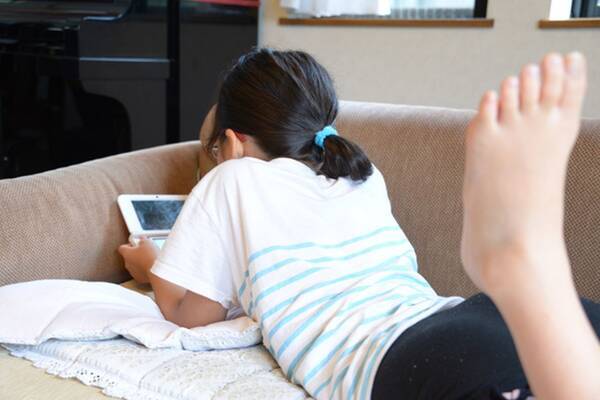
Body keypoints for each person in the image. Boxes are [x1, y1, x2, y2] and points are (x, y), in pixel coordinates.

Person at [119, 49, 600, 400]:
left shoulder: (234, 177)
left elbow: (190, 315)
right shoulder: (358, 172)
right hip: (470, 315)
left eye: (212, 151)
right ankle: (528, 268)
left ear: (233, 143)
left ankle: (523, 263)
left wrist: (152, 268)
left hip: (401, 354)